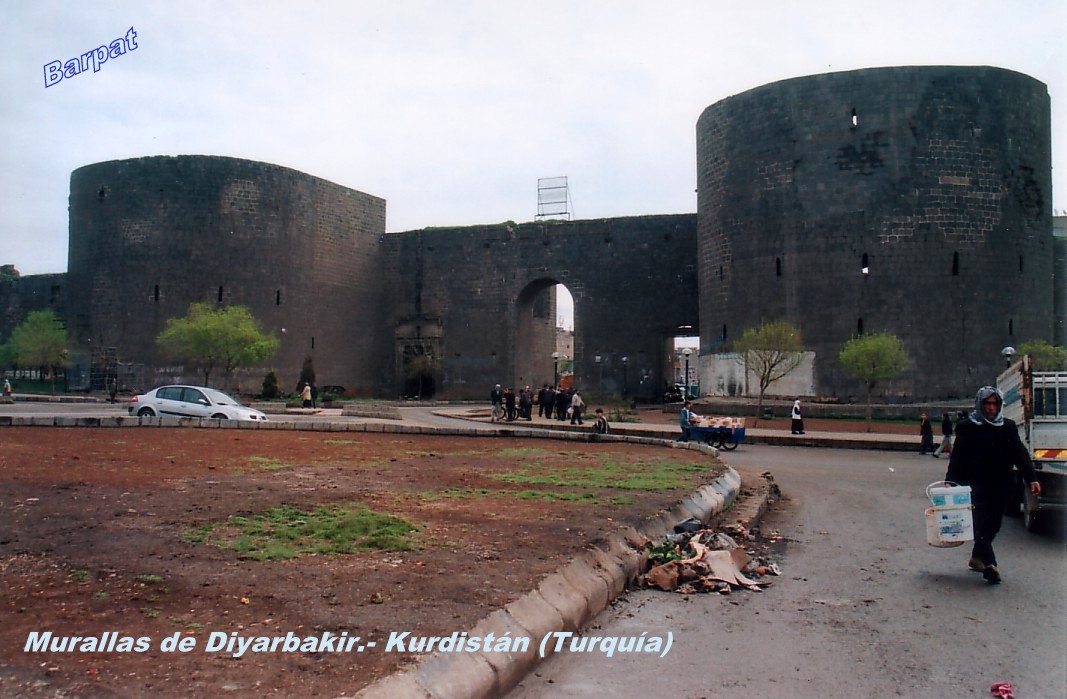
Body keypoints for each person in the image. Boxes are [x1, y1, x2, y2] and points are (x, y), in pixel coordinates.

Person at [945, 386, 1041, 584]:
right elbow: (958, 456)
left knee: (994, 524)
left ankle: (976, 556)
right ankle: (990, 564)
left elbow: (1019, 454)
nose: (991, 408)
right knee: (979, 523)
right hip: (973, 484)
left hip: (1001, 484)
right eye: (987, 403)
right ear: (980, 404)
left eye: (994, 403)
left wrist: (1031, 478)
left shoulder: (1007, 426)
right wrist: (950, 480)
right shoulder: (966, 427)